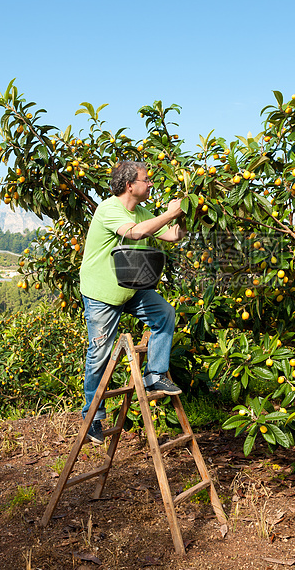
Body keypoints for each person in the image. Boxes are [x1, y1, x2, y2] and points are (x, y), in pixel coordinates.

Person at [79, 160, 187, 444]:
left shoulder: (141, 211)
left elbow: (172, 235)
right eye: (146, 179)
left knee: (164, 313)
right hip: (102, 294)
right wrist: (169, 212)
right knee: (99, 356)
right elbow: (136, 232)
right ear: (130, 185)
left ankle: (155, 373)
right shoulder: (109, 209)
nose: (150, 183)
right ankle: (92, 415)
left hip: (131, 287)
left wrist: (185, 216)